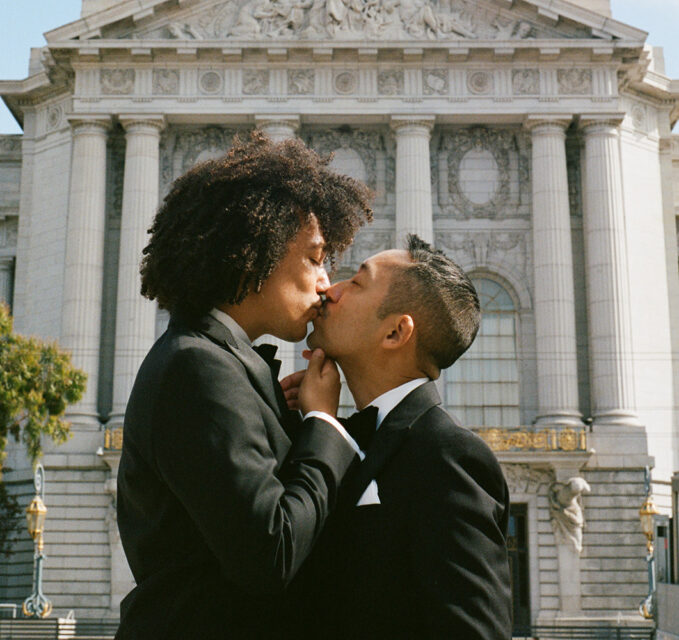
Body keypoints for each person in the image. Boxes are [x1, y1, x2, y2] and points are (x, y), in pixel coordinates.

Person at [115, 132, 372, 640]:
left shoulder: (215, 362)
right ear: (256, 249)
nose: (326, 282)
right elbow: (272, 554)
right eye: (315, 257)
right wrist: (323, 425)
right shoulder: (199, 367)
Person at [285, 234, 512, 640]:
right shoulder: (333, 432)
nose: (328, 290)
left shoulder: (450, 455)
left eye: (356, 282)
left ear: (395, 333)